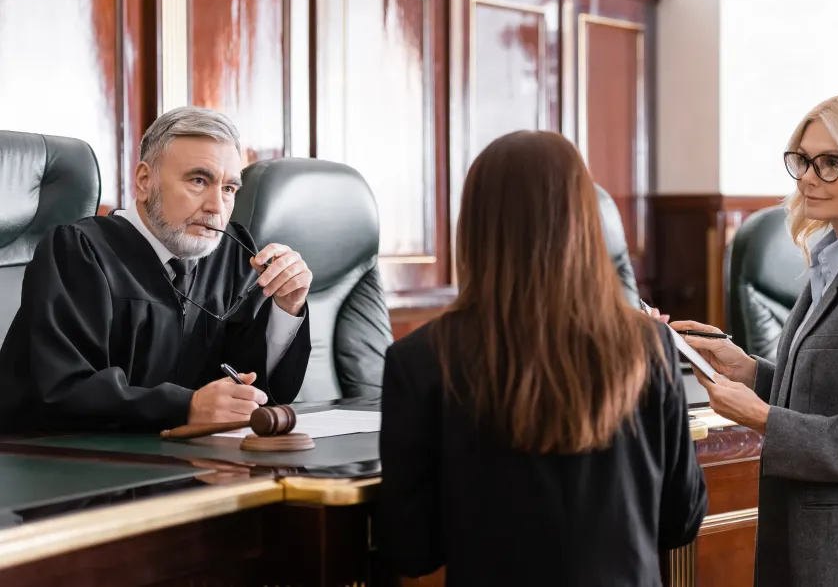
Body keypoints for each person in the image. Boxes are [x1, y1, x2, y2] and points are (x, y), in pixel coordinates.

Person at [378, 130, 707, 587]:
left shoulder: (419, 360)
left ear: (472, 228)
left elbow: (412, 549)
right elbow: (681, 520)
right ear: (585, 224)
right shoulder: (651, 346)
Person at [672, 90, 838, 586]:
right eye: (802, 159)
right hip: (795, 538)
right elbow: (825, 396)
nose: (805, 178)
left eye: (829, 164)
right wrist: (749, 371)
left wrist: (761, 417)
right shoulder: (828, 262)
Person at [0, 106, 313, 433]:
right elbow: (63, 390)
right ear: (145, 181)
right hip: (66, 465)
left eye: (229, 189)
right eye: (198, 180)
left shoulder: (232, 255)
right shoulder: (80, 251)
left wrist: (285, 306)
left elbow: (254, 389)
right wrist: (186, 407)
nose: (216, 207)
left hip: (188, 466)